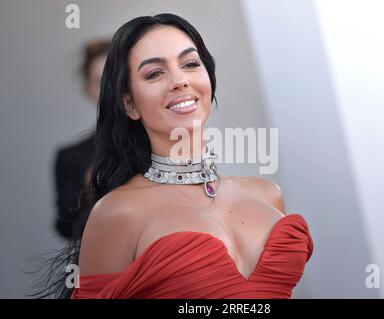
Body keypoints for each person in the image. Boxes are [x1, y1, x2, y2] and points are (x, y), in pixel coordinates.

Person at [47, 13, 313, 299]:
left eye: (190, 64)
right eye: (155, 73)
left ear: (208, 79)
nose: (180, 81)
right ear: (130, 104)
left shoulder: (267, 194)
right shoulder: (117, 212)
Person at [53, 40, 111, 239]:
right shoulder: (70, 157)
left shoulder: (159, 142)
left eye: (117, 77)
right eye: (100, 81)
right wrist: (89, 192)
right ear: (88, 90)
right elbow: (66, 228)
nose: (110, 88)